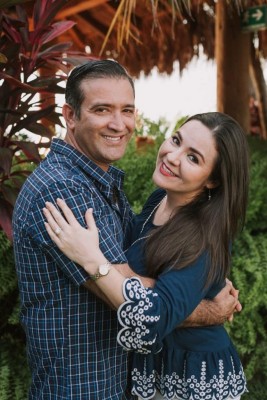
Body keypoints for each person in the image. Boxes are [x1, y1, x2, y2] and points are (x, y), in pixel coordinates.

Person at [12, 58, 240, 400]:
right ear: (70, 116)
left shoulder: (100, 184)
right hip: (82, 388)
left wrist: (189, 288)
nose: (118, 124)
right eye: (102, 109)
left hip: (169, 379)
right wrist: (208, 304)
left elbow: (129, 280)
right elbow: (124, 283)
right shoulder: (65, 191)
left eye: (127, 110)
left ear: (213, 180)